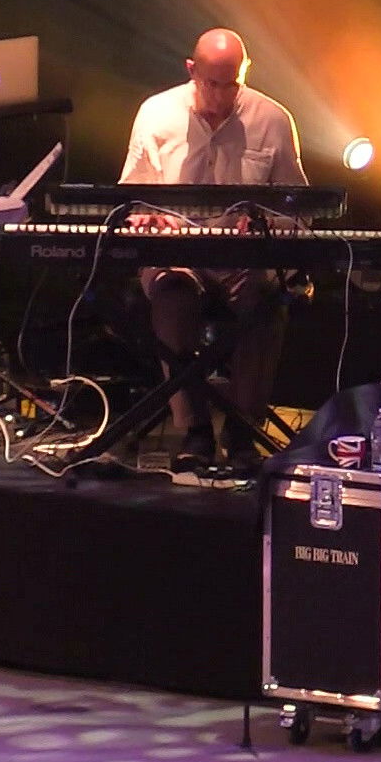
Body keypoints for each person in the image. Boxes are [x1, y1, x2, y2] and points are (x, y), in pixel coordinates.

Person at [118, 28, 308, 474]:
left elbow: (300, 212)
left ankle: (242, 430)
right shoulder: (156, 114)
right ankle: (195, 430)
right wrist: (147, 219)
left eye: (231, 84)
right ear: (191, 70)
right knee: (172, 295)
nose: (221, 96)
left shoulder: (273, 119)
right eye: (211, 84)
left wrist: (265, 224)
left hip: (243, 261)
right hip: (177, 256)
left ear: (245, 73)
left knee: (266, 298)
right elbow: (130, 201)